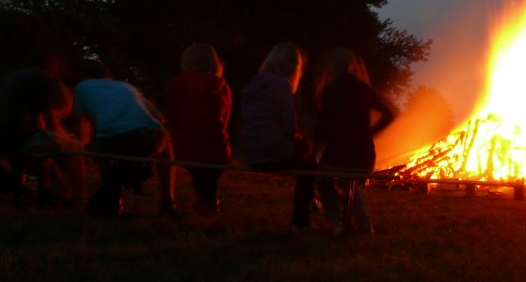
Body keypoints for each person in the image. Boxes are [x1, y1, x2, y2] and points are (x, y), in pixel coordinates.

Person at [74, 62, 176, 216]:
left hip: (109, 143)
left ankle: (111, 201)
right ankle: (168, 200)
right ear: (108, 77)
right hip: (144, 139)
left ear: (82, 76)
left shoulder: (81, 88)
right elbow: (158, 117)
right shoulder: (125, 87)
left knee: (103, 148)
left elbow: (90, 122)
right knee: (165, 143)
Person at [315, 49, 395, 234]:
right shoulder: (364, 89)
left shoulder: (329, 92)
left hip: (338, 158)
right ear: (352, 67)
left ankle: (336, 223)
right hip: (365, 160)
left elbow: (321, 130)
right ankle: (365, 225)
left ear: (331, 69)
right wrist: (369, 133)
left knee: (322, 178)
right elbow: (390, 114)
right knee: (347, 181)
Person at [239, 42, 317, 230]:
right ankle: (302, 218)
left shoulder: (254, 82)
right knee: (309, 154)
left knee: (306, 155)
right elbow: (290, 127)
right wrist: (297, 138)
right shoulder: (282, 84)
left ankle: (310, 201)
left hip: (249, 154)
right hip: (271, 153)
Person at [0, 67, 83, 203]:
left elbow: (40, 125)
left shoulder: (19, 83)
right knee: (73, 146)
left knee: (47, 146)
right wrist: (64, 137)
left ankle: (53, 189)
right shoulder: (46, 86)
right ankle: (76, 195)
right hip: (15, 139)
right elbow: (52, 125)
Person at [167, 43, 232, 214]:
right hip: (214, 148)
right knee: (209, 175)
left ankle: (205, 200)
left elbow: (173, 117)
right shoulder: (221, 87)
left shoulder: (175, 85)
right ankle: (207, 201)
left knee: (199, 174)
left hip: (186, 147)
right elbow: (224, 118)